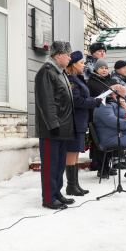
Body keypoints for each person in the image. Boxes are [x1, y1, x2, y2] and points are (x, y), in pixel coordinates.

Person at [34, 41, 76, 209]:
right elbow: (47, 102)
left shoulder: (60, 72)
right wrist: (53, 125)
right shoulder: (47, 72)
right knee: (50, 166)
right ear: (58, 55)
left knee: (58, 165)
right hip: (52, 129)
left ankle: (56, 193)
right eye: (68, 55)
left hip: (62, 128)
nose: (70, 58)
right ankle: (49, 198)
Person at [64, 51, 105, 196]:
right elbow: (76, 101)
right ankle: (71, 185)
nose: (84, 65)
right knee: (72, 152)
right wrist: (93, 102)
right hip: (74, 121)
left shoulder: (78, 78)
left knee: (76, 152)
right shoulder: (71, 80)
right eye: (81, 63)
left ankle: (75, 184)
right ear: (74, 64)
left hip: (81, 121)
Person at [86, 58, 116, 178]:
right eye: (101, 68)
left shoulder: (111, 81)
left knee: (109, 140)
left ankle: (107, 165)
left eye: (106, 68)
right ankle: (100, 167)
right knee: (99, 142)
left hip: (109, 115)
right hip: (96, 116)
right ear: (96, 69)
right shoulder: (91, 82)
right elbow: (89, 99)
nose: (104, 70)